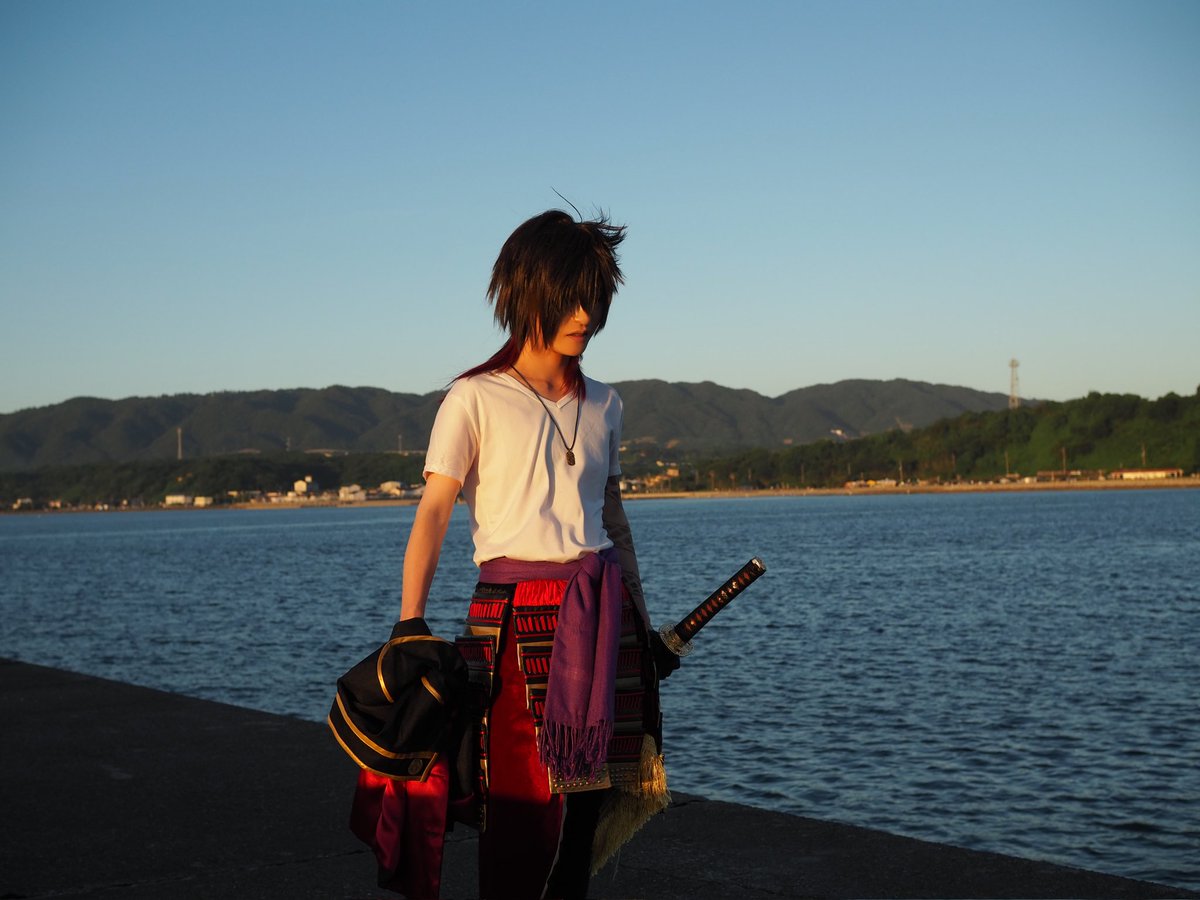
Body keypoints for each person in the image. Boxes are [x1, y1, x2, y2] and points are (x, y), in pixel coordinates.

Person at [400, 208, 674, 899]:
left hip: (604, 613)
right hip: (514, 617)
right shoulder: (474, 397)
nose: (585, 315)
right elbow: (434, 510)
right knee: (519, 809)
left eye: (595, 300)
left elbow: (613, 518)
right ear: (527, 296)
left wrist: (643, 622)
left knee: (588, 806)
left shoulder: (606, 404)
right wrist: (409, 623)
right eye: (570, 299)